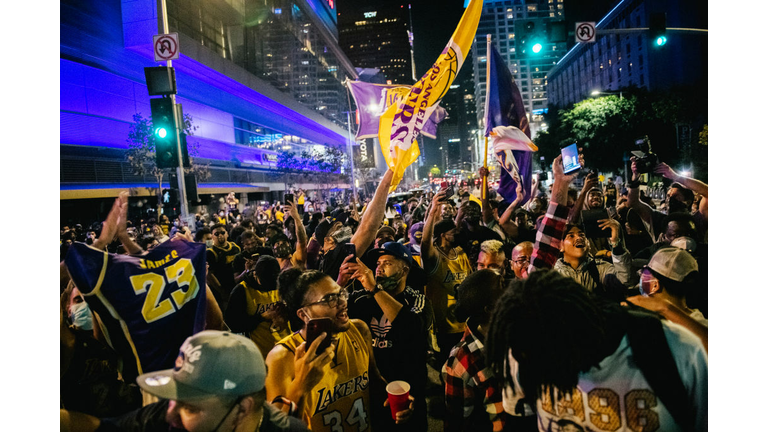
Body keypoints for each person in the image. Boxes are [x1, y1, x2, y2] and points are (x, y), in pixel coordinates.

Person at [486, 270, 707, 432]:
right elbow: (520, 422)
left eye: (549, 362)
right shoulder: (525, 348)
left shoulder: (675, 350)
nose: (538, 369)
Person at [61, 330, 310, 432]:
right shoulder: (167, 417)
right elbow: (106, 429)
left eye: (190, 407)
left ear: (242, 409)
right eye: (173, 397)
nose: (170, 414)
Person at [264, 269, 414, 431]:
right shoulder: (283, 356)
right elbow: (277, 428)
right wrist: (301, 384)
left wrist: (394, 398)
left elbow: (374, 379)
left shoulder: (359, 329)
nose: (342, 302)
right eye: (329, 299)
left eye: (341, 293)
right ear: (303, 313)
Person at [343, 242, 433, 431]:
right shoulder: (361, 299)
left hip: (407, 393)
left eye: (388, 263)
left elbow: (411, 327)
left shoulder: (416, 299)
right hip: (372, 391)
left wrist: (376, 289)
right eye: (378, 264)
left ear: (404, 269)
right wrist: (339, 282)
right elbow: (330, 313)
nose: (379, 269)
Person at [443, 270, 534, 432]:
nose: (510, 282)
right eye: (502, 284)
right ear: (491, 308)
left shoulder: (520, 328)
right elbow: (456, 421)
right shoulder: (463, 358)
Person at [60, 282, 142, 417]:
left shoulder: (123, 339)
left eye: (90, 301)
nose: (86, 306)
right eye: (78, 300)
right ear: (68, 309)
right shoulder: (68, 352)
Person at [421, 189, 473, 367]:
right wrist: (433, 208)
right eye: (453, 231)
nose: (457, 233)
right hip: (444, 326)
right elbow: (425, 242)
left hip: (465, 322)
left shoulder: (460, 253)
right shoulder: (435, 257)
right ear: (443, 235)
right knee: (448, 367)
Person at [626, 247, 708, 350]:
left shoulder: (654, 328)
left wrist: (663, 307)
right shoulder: (701, 323)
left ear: (655, 285)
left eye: (645, 272)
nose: (641, 276)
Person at [226, 255, 291, 358]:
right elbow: (233, 325)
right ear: (255, 274)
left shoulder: (283, 284)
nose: (270, 287)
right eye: (265, 282)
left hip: (287, 349)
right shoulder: (242, 290)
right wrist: (262, 317)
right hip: (260, 354)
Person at [207, 223, 242, 311]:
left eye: (222, 233)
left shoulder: (236, 248)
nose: (220, 236)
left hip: (237, 286)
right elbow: (209, 275)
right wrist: (221, 291)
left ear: (227, 233)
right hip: (221, 290)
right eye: (216, 234)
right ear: (212, 236)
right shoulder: (210, 253)